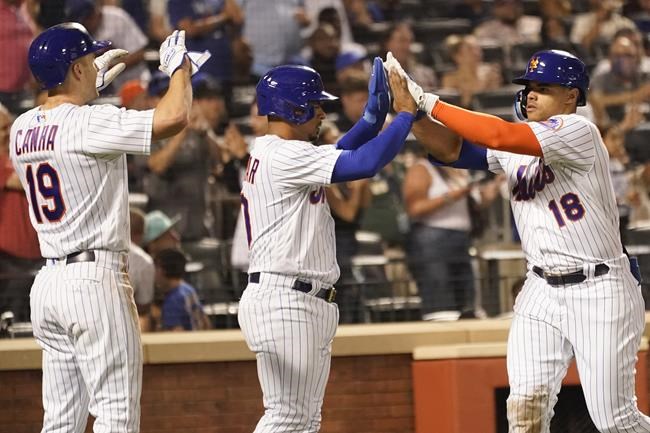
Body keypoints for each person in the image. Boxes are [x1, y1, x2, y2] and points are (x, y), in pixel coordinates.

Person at [386, 49, 650, 431]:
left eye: (543, 88)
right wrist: (408, 112)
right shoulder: (517, 147)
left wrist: (428, 101)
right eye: (528, 87)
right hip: (540, 288)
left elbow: (497, 132)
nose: (530, 94)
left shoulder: (579, 130)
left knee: (615, 420)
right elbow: (450, 148)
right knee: (524, 411)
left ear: (572, 95)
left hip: (599, 287)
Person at [9, 23, 199, 432]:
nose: (96, 63)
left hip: (48, 285)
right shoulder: (91, 123)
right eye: (89, 60)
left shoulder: (21, 129)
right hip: (93, 279)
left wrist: (85, 81)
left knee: (60, 422)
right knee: (117, 416)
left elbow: (56, 113)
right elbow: (175, 116)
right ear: (76, 69)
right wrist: (181, 68)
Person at [238, 58, 416, 432]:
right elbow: (363, 163)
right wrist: (404, 117)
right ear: (293, 108)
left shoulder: (277, 149)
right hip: (287, 300)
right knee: (288, 416)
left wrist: (371, 120)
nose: (321, 112)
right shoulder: (284, 154)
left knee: (303, 419)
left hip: (293, 298)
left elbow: (340, 153)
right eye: (315, 105)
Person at [153, 247, 211, 331]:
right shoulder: (189, 289)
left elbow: (176, 337)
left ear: (162, 270)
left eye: (155, 268)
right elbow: (206, 323)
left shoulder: (173, 301)